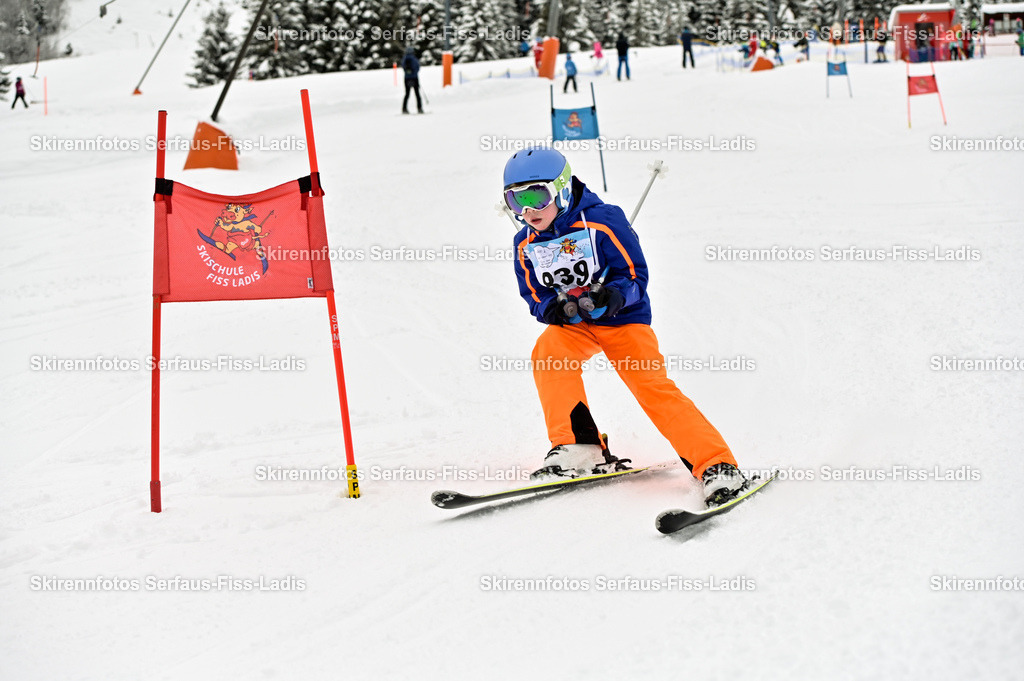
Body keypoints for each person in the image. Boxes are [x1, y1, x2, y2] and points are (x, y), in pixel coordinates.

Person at [502, 147, 746, 506]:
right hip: (575, 325)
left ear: (563, 188)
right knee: (549, 352)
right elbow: (533, 294)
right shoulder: (524, 242)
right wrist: (550, 309)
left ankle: (717, 465)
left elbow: (635, 274)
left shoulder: (603, 221)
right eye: (514, 199)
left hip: (623, 320)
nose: (527, 211)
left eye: (536, 195)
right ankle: (579, 447)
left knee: (651, 386)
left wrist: (614, 296)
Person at [400, 47, 422, 115]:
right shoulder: (414, 59)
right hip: (414, 78)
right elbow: (418, 68)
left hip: (407, 78)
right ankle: (419, 108)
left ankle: (404, 108)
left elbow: (403, 67)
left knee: (407, 94)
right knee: (417, 94)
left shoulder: (404, 59)